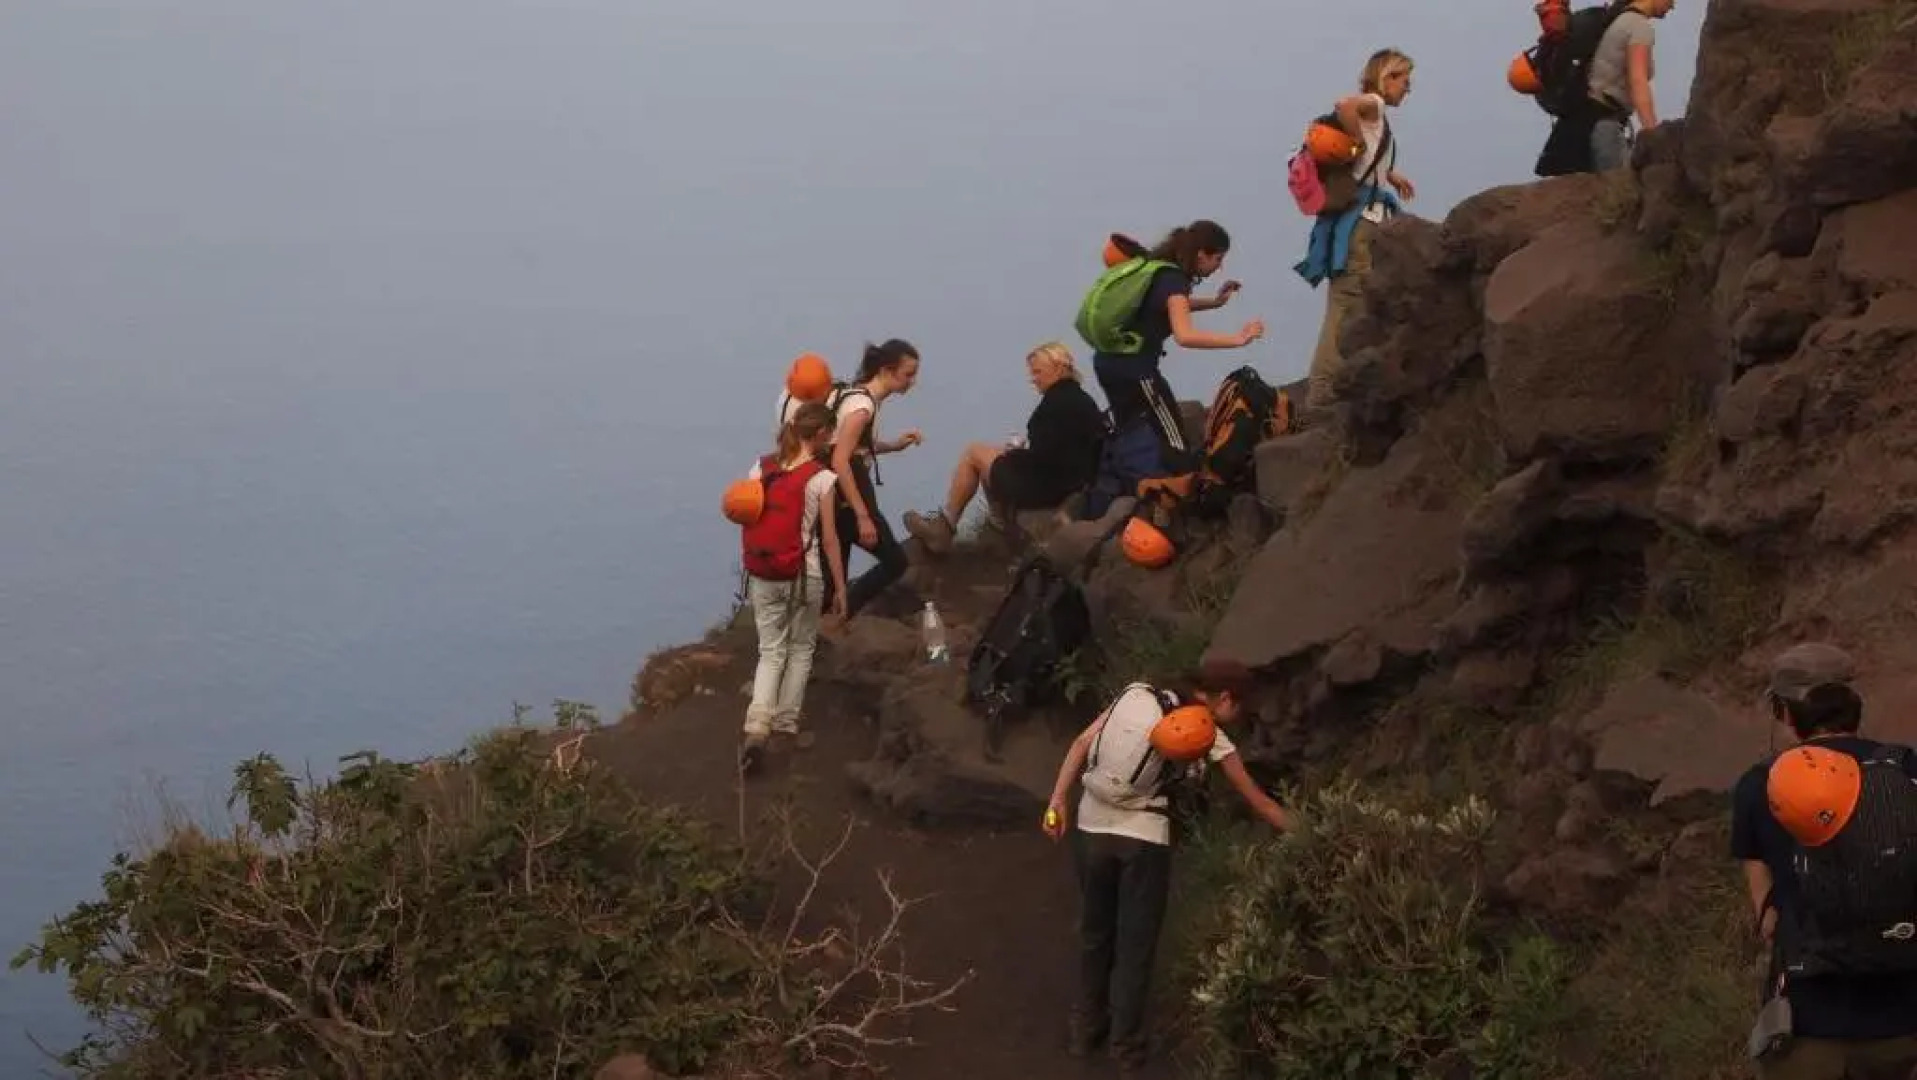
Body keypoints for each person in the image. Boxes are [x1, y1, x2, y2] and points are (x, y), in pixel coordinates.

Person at [1042, 658, 1291, 1073]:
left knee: (1095, 933)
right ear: (1225, 699)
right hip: (1142, 840)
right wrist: (1314, 834)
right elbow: (1260, 802)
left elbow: (1082, 744)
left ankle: (1083, 1032)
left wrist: (1056, 802)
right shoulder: (1204, 732)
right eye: (1239, 709)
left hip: (1090, 827)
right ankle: (1126, 1048)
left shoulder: (1137, 694)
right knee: (1135, 946)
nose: (1238, 719)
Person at [1729, 642, 1917, 1079]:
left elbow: (1767, 920)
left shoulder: (1760, 785)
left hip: (1808, 1030)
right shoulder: (1907, 769)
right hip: (1906, 1021)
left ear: (1787, 714)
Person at [1090, 220, 1263, 479]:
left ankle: (1130, 486)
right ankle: (1183, 491)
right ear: (1201, 254)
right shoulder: (1173, 279)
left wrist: (1215, 303)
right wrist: (1238, 339)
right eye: (1218, 258)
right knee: (1173, 437)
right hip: (1136, 370)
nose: (1220, 267)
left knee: (1131, 430)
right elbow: (1185, 335)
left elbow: (1171, 305)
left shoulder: (1157, 269)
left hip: (1108, 362)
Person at [902, 341, 1105, 554]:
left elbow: (1043, 460)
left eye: (1038, 372)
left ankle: (946, 527)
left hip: (1046, 489)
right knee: (994, 456)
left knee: (974, 453)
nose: (1033, 379)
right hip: (1073, 484)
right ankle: (997, 523)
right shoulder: (1083, 401)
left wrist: (1016, 456)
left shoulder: (1054, 405)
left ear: (1060, 369)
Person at [1299, 48, 1417, 414]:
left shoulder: (1378, 117)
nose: (1408, 89)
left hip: (1360, 220)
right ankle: (1323, 396)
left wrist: (1388, 174)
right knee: (1350, 303)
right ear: (1387, 77)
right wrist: (1357, 142)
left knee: (1354, 303)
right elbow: (1345, 105)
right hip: (1362, 226)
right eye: (1404, 80)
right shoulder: (1374, 105)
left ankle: (1332, 389)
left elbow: (1364, 163)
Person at [739, 403, 849, 772]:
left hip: (763, 573)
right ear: (820, 435)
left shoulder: (761, 467)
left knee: (770, 651)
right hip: (805, 574)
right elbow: (830, 539)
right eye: (830, 434)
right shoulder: (822, 478)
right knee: (801, 649)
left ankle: (757, 728)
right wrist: (841, 587)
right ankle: (786, 723)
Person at [822, 338, 922, 623]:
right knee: (895, 561)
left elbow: (853, 446)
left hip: (829, 495)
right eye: (908, 374)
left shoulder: (850, 395)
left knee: (833, 574)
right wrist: (862, 515)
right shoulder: (862, 408)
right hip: (849, 492)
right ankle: (844, 613)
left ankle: (830, 620)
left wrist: (894, 446)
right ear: (887, 371)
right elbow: (841, 459)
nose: (911, 382)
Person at [1585, 0, 1674, 171]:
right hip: (1605, 127)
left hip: (1593, 124)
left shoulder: (1620, 21)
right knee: (1617, 192)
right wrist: (1652, 134)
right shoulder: (1639, 26)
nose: (1672, 5)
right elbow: (1638, 80)